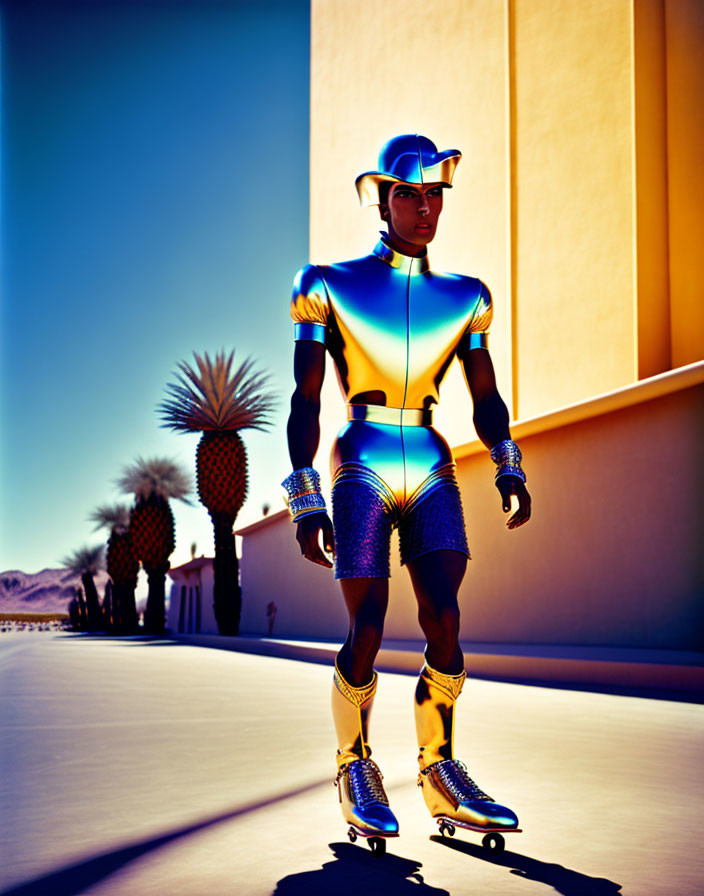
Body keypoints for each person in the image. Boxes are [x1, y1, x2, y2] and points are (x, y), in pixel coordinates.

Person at [283, 135, 531, 845]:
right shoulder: (325, 284)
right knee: (366, 628)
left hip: (430, 459)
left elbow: (485, 400)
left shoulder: (468, 299)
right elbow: (304, 400)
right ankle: (354, 764)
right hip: (359, 458)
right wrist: (304, 495)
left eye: (435, 196)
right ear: (381, 198)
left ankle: (439, 770)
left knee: (445, 620)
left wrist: (508, 460)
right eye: (409, 195)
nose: (424, 208)